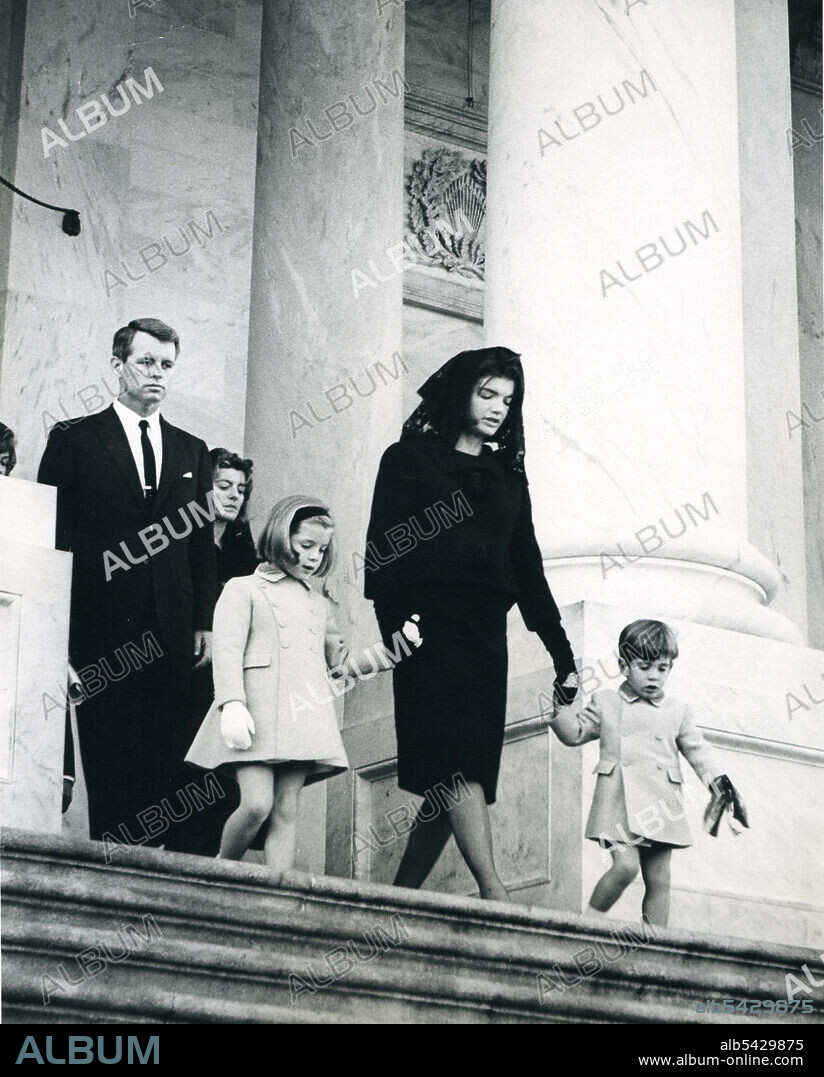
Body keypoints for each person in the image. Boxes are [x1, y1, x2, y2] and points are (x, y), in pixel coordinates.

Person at [363, 346, 579, 902]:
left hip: (486, 637)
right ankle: (495, 892)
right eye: (487, 394)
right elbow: (384, 546)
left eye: (508, 399)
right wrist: (394, 627)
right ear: (461, 393)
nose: (498, 407)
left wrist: (562, 654)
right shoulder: (408, 459)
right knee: (460, 767)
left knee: (451, 778)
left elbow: (527, 568)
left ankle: (399, 898)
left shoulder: (508, 478)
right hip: (426, 632)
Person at [37, 317, 217, 850]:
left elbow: (200, 544)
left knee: (164, 762)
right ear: (118, 366)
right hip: (99, 628)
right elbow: (54, 536)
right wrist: (57, 631)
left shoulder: (192, 449)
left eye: (167, 365)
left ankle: (150, 876)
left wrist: (204, 621)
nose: (157, 373)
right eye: (146, 362)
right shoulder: (74, 438)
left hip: (172, 629)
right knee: (110, 757)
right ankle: (113, 874)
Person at [186, 495, 405, 871]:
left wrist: (396, 649)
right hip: (255, 714)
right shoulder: (243, 588)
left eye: (321, 549)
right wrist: (232, 703)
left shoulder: (318, 603)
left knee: (286, 810)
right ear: (280, 535)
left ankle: (277, 890)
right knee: (256, 804)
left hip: (303, 717)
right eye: (306, 545)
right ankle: (221, 871)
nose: (314, 557)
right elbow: (227, 650)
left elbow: (341, 666)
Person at [545, 618, 745, 927]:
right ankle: (587, 926)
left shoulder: (678, 711)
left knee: (660, 878)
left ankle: (655, 942)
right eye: (644, 666)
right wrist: (562, 705)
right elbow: (575, 733)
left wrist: (719, 783)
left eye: (662, 668)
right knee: (625, 867)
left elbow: (699, 752)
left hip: (661, 803)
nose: (654, 676)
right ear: (623, 665)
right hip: (617, 801)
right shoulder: (607, 702)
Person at [184, 447, 259, 856]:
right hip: (189, 669)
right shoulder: (183, 545)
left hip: (228, 676)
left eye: (241, 489)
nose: (234, 495)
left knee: (225, 773)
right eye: (223, 485)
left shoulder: (244, 552)